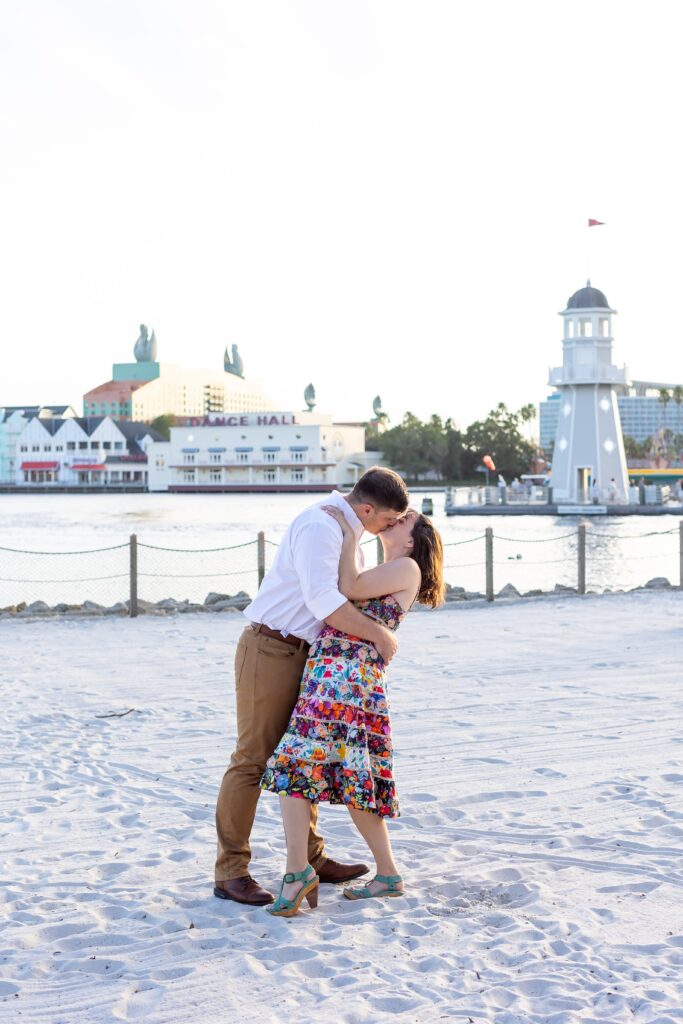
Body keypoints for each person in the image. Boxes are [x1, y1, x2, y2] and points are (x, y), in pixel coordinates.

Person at [213, 467, 409, 906]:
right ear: (367, 509)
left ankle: (312, 859)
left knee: (304, 757)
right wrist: (380, 635)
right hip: (271, 647)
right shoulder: (322, 526)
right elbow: (327, 602)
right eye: (388, 520)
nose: (390, 528)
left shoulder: (346, 529)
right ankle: (231, 872)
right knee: (252, 759)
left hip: (304, 654)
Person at [261, 505, 445, 917]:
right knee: (347, 773)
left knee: (297, 763)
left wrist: (347, 533)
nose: (400, 517)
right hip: (337, 672)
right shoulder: (390, 568)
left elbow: (345, 585)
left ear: (412, 540)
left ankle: (298, 872)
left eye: (407, 519)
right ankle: (386, 874)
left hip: (345, 676)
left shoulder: (407, 569)